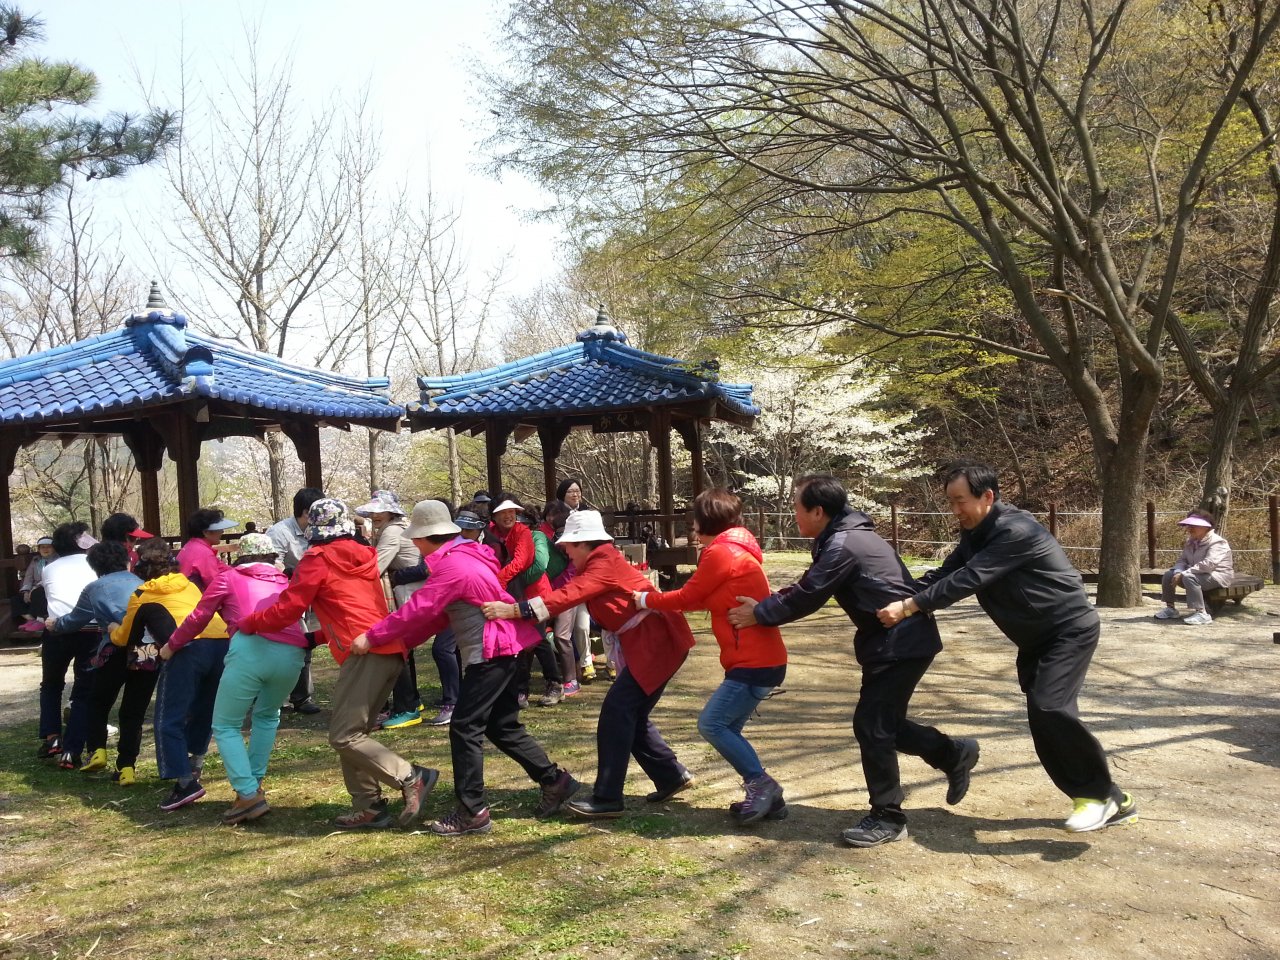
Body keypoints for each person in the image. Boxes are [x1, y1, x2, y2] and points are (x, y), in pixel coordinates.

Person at [876, 460, 1137, 834]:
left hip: (1067, 631)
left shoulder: (1016, 531)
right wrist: (898, 593)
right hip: (1035, 639)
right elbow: (947, 572)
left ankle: (1097, 796)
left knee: (1050, 707)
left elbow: (969, 578)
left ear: (987, 496)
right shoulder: (975, 533)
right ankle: (1114, 798)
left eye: (960, 501)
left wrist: (910, 606)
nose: (955, 510)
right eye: (950, 502)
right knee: (1044, 719)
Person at [728, 476, 976, 846]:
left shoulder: (843, 544)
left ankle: (888, 817)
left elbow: (809, 595)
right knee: (884, 724)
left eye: (797, 507)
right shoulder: (843, 537)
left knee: (872, 725)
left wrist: (761, 614)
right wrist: (767, 605)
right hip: (898, 640)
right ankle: (953, 754)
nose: (794, 514)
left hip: (901, 641)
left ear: (817, 511)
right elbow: (809, 584)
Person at [353, 500, 579, 836]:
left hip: (491, 652)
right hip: (504, 648)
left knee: (464, 727)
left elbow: (417, 609)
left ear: (426, 537)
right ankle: (555, 781)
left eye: (416, 539)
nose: (414, 544)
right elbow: (437, 616)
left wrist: (372, 637)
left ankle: (473, 810)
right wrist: (401, 643)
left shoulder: (452, 567)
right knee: (502, 726)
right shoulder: (465, 556)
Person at [241, 498, 440, 830]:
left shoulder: (317, 558)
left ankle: (410, 776)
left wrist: (249, 623)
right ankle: (369, 807)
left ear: (314, 528)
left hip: (364, 653)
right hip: (388, 648)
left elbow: (289, 609)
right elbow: (354, 608)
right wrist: (320, 637)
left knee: (344, 736)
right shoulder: (364, 554)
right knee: (355, 733)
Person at [484, 510, 695, 819]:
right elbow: (568, 591)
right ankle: (670, 775)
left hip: (657, 644)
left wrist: (514, 610)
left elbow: (568, 596)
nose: (565, 551)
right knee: (629, 714)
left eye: (569, 545)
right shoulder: (598, 561)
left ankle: (608, 797)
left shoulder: (602, 562)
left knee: (616, 714)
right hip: (655, 643)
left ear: (583, 543)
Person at [637, 489, 789, 824]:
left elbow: (688, 595)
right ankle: (770, 798)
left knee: (712, 724)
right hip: (759, 660)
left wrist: (644, 600)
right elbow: (700, 599)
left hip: (754, 662)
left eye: (695, 521)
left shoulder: (722, 552)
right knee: (727, 727)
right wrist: (659, 601)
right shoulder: (736, 550)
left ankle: (762, 785)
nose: (692, 528)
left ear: (707, 520)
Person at [169, 532, 309, 825]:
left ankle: (247, 794)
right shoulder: (286, 581)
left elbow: (199, 616)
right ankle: (252, 785)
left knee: (225, 725)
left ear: (241, 556)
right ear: (272, 556)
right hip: (293, 653)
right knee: (267, 716)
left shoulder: (228, 578)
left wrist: (172, 645)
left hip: (250, 649)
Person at [113, 538, 230, 810]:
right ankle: (195, 763)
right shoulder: (188, 584)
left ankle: (185, 783)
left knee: (168, 717)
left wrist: (110, 629)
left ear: (139, 568)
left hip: (185, 649)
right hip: (221, 643)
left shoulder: (142, 594)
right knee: (204, 709)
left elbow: (124, 637)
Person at [48, 541, 143, 783]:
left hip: (113, 649)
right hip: (146, 650)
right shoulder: (142, 583)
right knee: (133, 711)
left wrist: (54, 625)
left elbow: (74, 620)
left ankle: (97, 750)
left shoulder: (94, 588)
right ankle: (127, 767)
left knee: (96, 703)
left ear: (95, 567)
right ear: (127, 561)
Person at [355, 489, 426, 729]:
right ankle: (412, 701)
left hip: (408, 593)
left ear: (391, 513)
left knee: (398, 649)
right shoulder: (393, 529)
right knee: (403, 649)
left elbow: (375, 567)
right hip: (408, 591)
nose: (376, 515)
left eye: (381, 511)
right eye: (374, 511)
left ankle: (407, 707)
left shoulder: (392, 531)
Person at [37, 522, 100, 767]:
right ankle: (72, 751)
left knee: (51, 684)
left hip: (56, 630)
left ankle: (52, 737)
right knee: (84, 690)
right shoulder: (94, 565)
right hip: (90, 631)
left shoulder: (49, 569)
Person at [490, 495, 562, 708]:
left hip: (535, 594)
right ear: (494, 515)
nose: (508, 516)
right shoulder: (491, 534)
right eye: (503, 512)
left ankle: (554, 684)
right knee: (520, 640)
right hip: (513, 595)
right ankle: (521, 689)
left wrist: (497, 583)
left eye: (512, 511)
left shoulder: (523, 533)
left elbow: (521, 562)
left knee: (537, 638)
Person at [267, 487, 324, 715]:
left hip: (311, 595)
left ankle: (300, 697)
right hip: (286, 596)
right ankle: (283, 698)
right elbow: (272, 563)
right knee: (294, 644)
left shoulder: (320, 530)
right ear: (305, 512)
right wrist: (292, 573)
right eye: (318, 512)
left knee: (304, 644)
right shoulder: (279, 532)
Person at [1156, 512, 1234, 626]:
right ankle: (1170, 609)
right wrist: (1178, 571)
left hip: (1219, 576)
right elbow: (1182, 561)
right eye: (1189, 525)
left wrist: (1184, 574)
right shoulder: (1191, 542)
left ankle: (1202, 613)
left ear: (1206, 527)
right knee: (1169, 574)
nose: (1189, 528)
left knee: (1189, 577)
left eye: (1194, 525)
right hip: (1197, 573)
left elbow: (1209, 564)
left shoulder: (1218, 542)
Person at [554, 478, 595, 681]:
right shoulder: (556, 514)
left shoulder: (587, 513)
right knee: (569, 628)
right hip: (565, 578)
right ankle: (579, 663)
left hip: (586, 576)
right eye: (571, 491)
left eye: (578, 490)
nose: (575, 494)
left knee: (583, 624)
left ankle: (587, 662)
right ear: (563, 494)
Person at [176, 508, 237, 591]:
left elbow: (223, 568)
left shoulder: (192, 545)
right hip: (194, 597)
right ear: (206, 532)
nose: (222, 531)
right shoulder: (203, 553)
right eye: (218, 528)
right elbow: (214, 586)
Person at [17, 536, 54, 623]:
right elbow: (28, 577)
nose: (45, 549)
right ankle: (31, 619)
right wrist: (26, 591)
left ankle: (39, 619)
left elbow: (51, 577)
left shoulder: (57, 560)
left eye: (48, 547)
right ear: (39, 549)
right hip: (33, 589)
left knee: (38, 593)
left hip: (48, 588)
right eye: (42, 547)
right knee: (16, 599)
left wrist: (36, 587)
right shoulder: (36, 560)